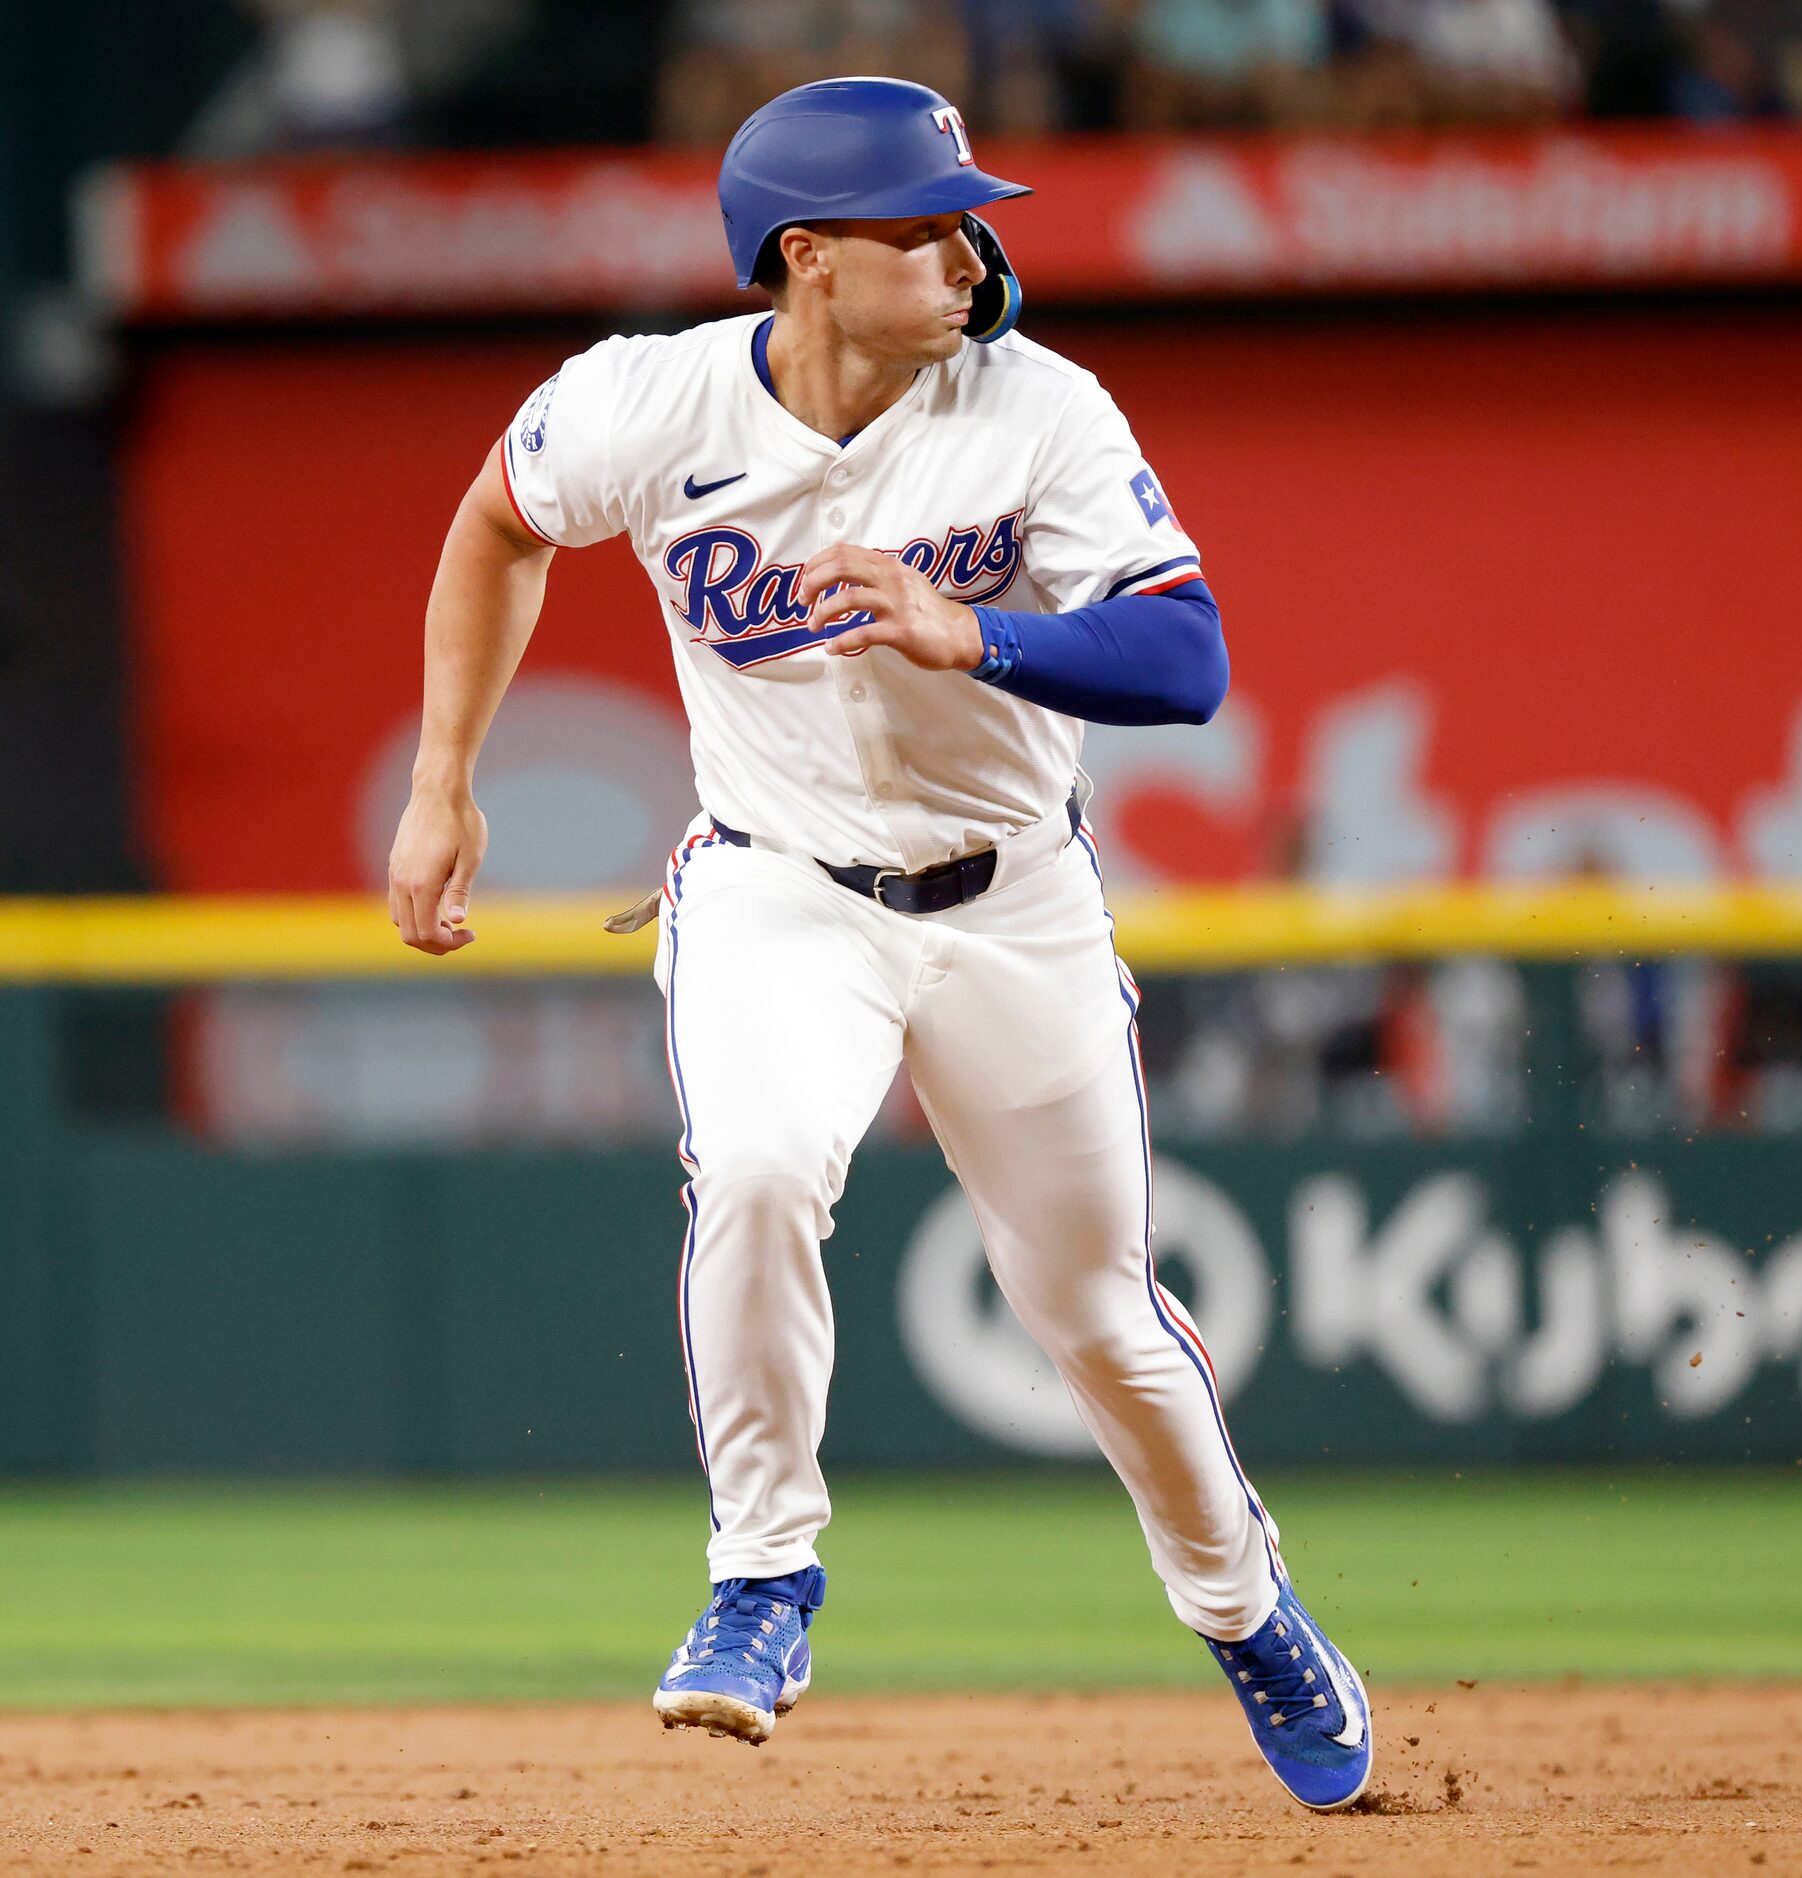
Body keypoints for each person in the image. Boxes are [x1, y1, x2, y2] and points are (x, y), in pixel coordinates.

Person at [385, 76, 1372, 1814]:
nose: (971, 248)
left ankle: (1247, 1606)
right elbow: (497, 522)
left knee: (1092, 1309)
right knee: (759, 1165)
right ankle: (765, 1578)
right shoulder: (654, 400)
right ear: (811, 260)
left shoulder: (1038, 406)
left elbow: (1188, 656)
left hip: (1014, 902)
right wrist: (444, 776)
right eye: (926, 225)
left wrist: (974, 631)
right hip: (778, 889)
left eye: (969, 214)